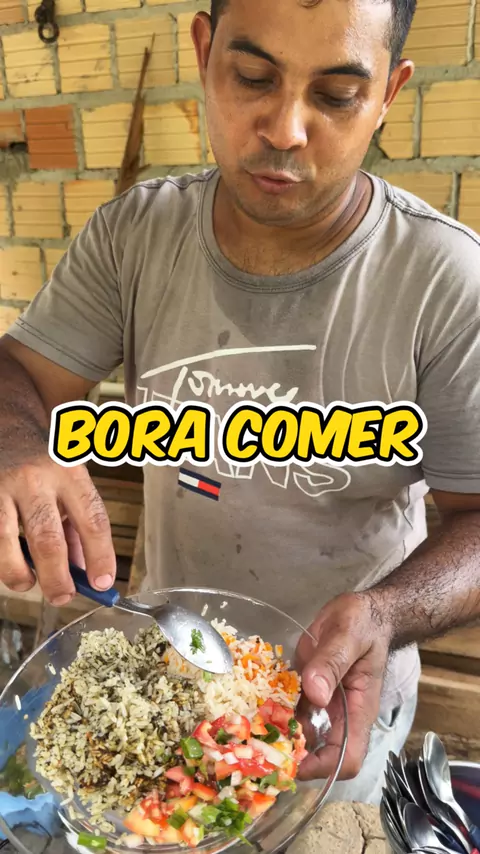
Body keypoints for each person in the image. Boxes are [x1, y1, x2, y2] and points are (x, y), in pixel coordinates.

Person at [1, 0, 480, 807]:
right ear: (203, 51)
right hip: (162, 679)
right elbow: (17, 371)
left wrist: (388, 612)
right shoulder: (134, 236)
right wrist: (17, 444)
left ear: (389, 94)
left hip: (334, 710)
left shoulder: (446, 281)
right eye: (254, 77)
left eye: (336, 96)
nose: (285, 129)